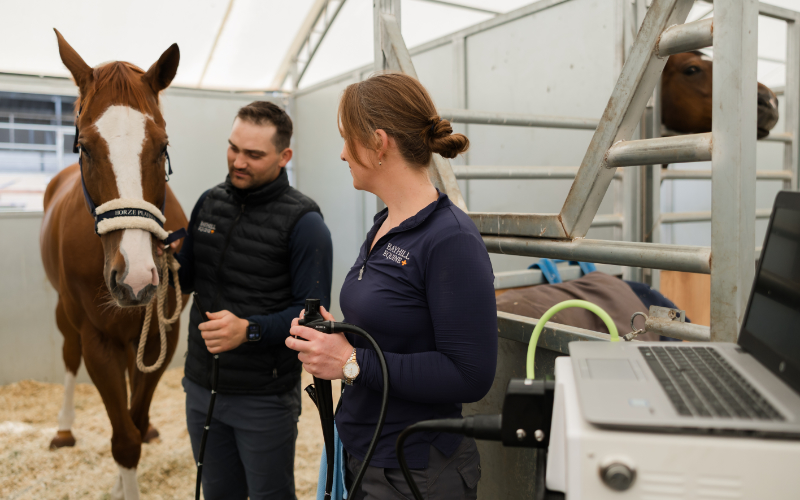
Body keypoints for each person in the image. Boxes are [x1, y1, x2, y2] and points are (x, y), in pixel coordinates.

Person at [287, 73, 498, 499]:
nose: (342, 153)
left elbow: (471, 374)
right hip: (365, 453)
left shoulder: (450, 238)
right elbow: (394, 331)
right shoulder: (384, 223)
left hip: (415, 469)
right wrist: (338, 336)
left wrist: (350, 361)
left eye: (348, 139)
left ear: (379, 143)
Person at [164, 101, 333, 500]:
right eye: (233, 148)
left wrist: (249, 331)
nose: (238, 161)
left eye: (253, 154)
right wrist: (167, 261)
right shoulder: (208, 203)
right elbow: (188, 279)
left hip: (265, 398)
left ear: (283, 156)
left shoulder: (305, 224)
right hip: (202, 388)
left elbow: (313, 319)